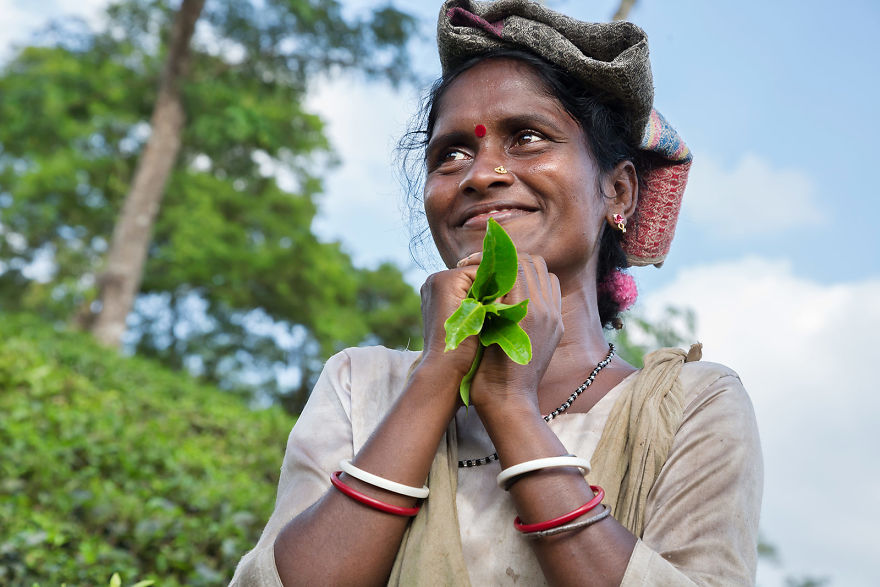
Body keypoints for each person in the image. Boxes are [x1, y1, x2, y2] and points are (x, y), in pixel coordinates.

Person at [231, 0, 762, 585]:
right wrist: (436, 378)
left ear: (618, 191)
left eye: (529, 138)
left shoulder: (692, 406)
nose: (480, 174)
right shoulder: (360, 385)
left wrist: (510, 404)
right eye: (451, 153)